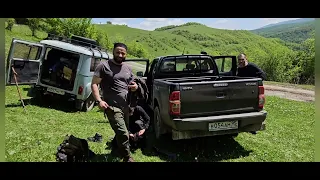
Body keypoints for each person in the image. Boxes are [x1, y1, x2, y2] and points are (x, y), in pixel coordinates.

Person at [91, 42, 138, 162]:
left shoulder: (127, 68)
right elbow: (94, 84)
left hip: (125, 106)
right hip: (112, 106)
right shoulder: (104, 66)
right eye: (118, 52)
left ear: (126, 54)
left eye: (123, 53)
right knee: (122, 133)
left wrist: (135, 86)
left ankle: (115, 150)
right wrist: (99, 100)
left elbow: (133, 82)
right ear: (113, 52)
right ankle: (127, 157)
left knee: (123, 132)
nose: (120, 55)